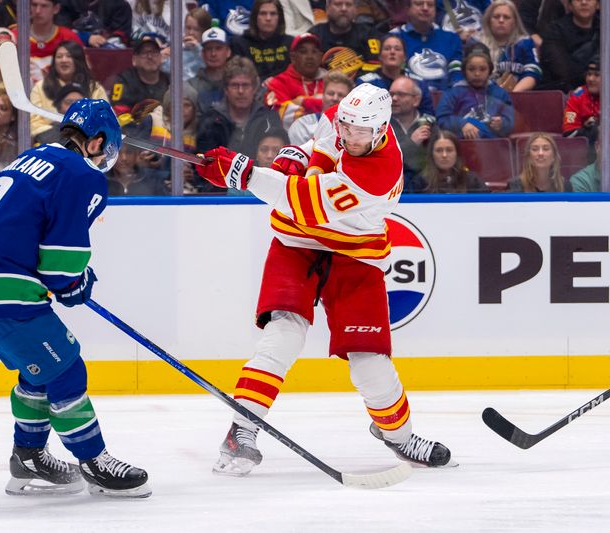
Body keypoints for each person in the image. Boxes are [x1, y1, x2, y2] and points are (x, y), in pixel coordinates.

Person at [194, 83, 454, 474]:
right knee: (283, 334)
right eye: (345, 126)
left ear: (382, 129)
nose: (349, 136)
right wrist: (287, 160)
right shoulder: (345, 120)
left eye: (359, 132)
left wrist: (243, 175)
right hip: (295, 242)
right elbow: (313, 148)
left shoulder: (378, 172)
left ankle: (398, 435)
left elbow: (302, 201)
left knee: (370, 362)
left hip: (355, 254)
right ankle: (242, 429)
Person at [0, 98, 151, 498]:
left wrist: (70, 281)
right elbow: (60, 270)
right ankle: (95, 461)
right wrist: (76, 284)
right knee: (67, 368)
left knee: (39, 367)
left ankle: (29, 457)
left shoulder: (34, 157)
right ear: (97, 142)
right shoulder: (83, 175)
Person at [195, 56, 282, 191]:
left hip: (261, 192)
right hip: (218, 195)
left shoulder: (269, 118)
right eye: (235, 85)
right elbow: (203, 167)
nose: (240, 91)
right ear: (225, 88)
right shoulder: (211, 120)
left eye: (246, 85)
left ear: (254, 87)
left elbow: (278, 163)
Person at [30, 40, 108, 140]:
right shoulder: (40, 87)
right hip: (49, 144)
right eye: (59, 57)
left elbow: (105, 119)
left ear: (78, 59)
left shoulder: (94, 88)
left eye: (69, 56)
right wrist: (56, 136)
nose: (64, 60)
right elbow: (33, 122)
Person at [436, 47, 513, 139]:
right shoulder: (452, 93)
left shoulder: (500, 94)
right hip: (461, 142)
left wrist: (502, 124)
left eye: (483, 69)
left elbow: (511, 121)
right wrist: (462, 124)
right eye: (471, 69)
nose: (477, 74)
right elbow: (442, 119)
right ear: (464, 71)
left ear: (490, 71)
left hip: (492, 144)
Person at [390, 0, 464, 91]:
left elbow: (456, 75)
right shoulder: (394, 37)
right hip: (408, 96)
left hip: (444, 98)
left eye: (430, 5)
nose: (425, 8)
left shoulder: (451, 38)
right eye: (419, 4)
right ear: (408, 9)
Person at [356, 34, 435, 116]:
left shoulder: (418, 83)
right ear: (380, 56)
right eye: (387, 49)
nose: (392, 52)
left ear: (404, 57)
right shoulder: (365, 84)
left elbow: (428, 114)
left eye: (397, 49)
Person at [473, 0, 540, 93]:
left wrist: (513, 94)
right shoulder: (477, 44)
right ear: (488, 20)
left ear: (514, 22)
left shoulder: (525, 43)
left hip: (518, 97)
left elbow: (533, 73)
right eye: (496, 17)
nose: (501, 20)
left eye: (506, 17)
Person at [264, 32, 325, 129]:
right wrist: (321, 102)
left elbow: (339, 109)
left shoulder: (331, 81)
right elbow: (282, 116)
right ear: (293, 57)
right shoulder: (277, 83)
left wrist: (303, 102)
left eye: (314, 51)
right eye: (303, 52)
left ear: (320, 56)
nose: (310, 56)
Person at [539, 0, 599, 93]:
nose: (584, 2)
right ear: (569, 5)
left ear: (598, 4)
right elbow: (561, 70)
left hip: (600, 91)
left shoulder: (604, 29)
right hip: (564, 90)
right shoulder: (554, 31)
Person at [389, 76, 436, 192]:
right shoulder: (381, 126)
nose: (394, 98)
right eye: (391, 94)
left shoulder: (431, 125)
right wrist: (411, 143)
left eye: (401, 94)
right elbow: (385, 163)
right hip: (389, 190)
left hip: (426, 191)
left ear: (416, 100)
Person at [307, 0, 381, 73]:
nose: (344, 9)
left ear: (355, 9)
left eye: (348, 4)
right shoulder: (314, 35)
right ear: (327, 8)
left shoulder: (369, 33)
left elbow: (375, 65)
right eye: (338, 4)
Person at [230, 0, 293, 82]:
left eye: (273, 14)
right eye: (263, 13)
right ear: (255, 17)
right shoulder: (239, 44)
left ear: (279, 18)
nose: (268, 18)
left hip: (284, 90)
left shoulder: (291, 43)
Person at [109, 33, 170, 115]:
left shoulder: (170, 81)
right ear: (134, 60)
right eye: (144, 53)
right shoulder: (124, 81)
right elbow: (118, 112)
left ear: (160, 57)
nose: (150, 57)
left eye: (154, 52)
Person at [287, 70, 352, 145]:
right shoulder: (302, 125)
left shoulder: (355, 129)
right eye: (330, 93)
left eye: (340, 95)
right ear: (323, 95)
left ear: (348, 99)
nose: (335, 98)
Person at [418, 130, 487, 192]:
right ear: (432, 154)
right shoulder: (420, 182)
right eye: (439, 150)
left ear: (457, 153)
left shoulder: (473, 181)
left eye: (449, 150)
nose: (444, 155)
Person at [188, 26, 232, 114]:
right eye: (209, 49)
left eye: (218, 48)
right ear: (203, 53)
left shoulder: (236, 83)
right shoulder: (191, 86)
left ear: (228, 52)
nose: (213, 54)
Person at [563, 56, 600, 146]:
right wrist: (588, 128)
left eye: (597, 75)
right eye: (589, 74)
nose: (591, 79)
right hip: (588, 152)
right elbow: (569, 134)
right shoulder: (578, 96)